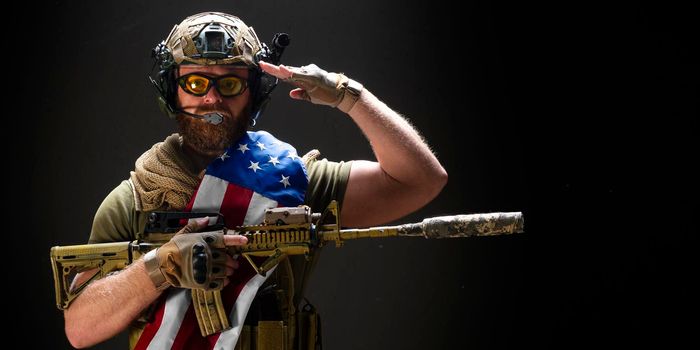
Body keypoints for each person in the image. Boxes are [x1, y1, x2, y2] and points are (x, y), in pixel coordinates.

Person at [63, 11, 447, 349]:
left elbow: (420, 180)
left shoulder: (290, 182)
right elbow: (80, 328)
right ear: (171, 91)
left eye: (229, 84)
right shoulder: (136, 199)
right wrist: (160, 266)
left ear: (255, 93)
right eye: (195, 83)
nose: (211, 99)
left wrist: (349, 96)